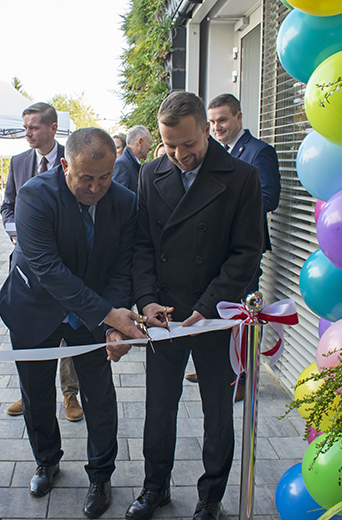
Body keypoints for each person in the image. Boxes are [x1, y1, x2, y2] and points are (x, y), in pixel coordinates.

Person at [0, 127, 145, 518]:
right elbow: (48, 269)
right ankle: (46, 460)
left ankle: (101, 474)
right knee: (36, 392)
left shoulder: (126, 201)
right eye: (86, 179)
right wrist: (110, 314)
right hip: (34, 307)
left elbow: (120, 268)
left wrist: (113, 324)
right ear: (65, 165)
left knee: (100, 395)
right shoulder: (34, 196)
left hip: (92, 311)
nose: (96, 188)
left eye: (105, 178)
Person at [126, 92, 263, 520]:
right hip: (164, 313)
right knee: (158, 407)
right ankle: (155, 488)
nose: (180, 155)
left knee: (217, 412)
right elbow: (143, 245)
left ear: (206, 128)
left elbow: (247, 253)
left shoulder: (242, 177)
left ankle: (211, 496)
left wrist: (207, 306)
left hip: (215, 313)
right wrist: (147, 301)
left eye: (189, 144)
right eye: (170, 146)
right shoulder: (150, 174)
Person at [184, 94, 281, 393]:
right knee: (216, 309)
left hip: (243, 250)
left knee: (243, 314)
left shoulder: (259, 152)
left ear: (239, 117)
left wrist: (225, 209)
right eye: (212, 122)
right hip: (212, 249)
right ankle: (211, 367)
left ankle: (243, 377)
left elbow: (268, 198)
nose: (217, 127)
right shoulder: (210, 151)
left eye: (223, 120)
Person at [0, 102, 83, 422]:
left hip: (63, 260)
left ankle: (70, 393)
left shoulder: (73, 156)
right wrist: (17, 233)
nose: (28, 134)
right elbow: (8, 205)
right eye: (25, 128)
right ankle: (31, 392)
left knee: (64, 327)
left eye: (33, 127)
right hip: (25, 263)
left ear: (52, 127)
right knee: (29, 325)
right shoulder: (18, 162)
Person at [112, 125, 152, 194]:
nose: (150, 148)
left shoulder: (131, 163)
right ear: (140, 142)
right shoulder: (122, 164)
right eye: (149, 143)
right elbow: (118, 198)